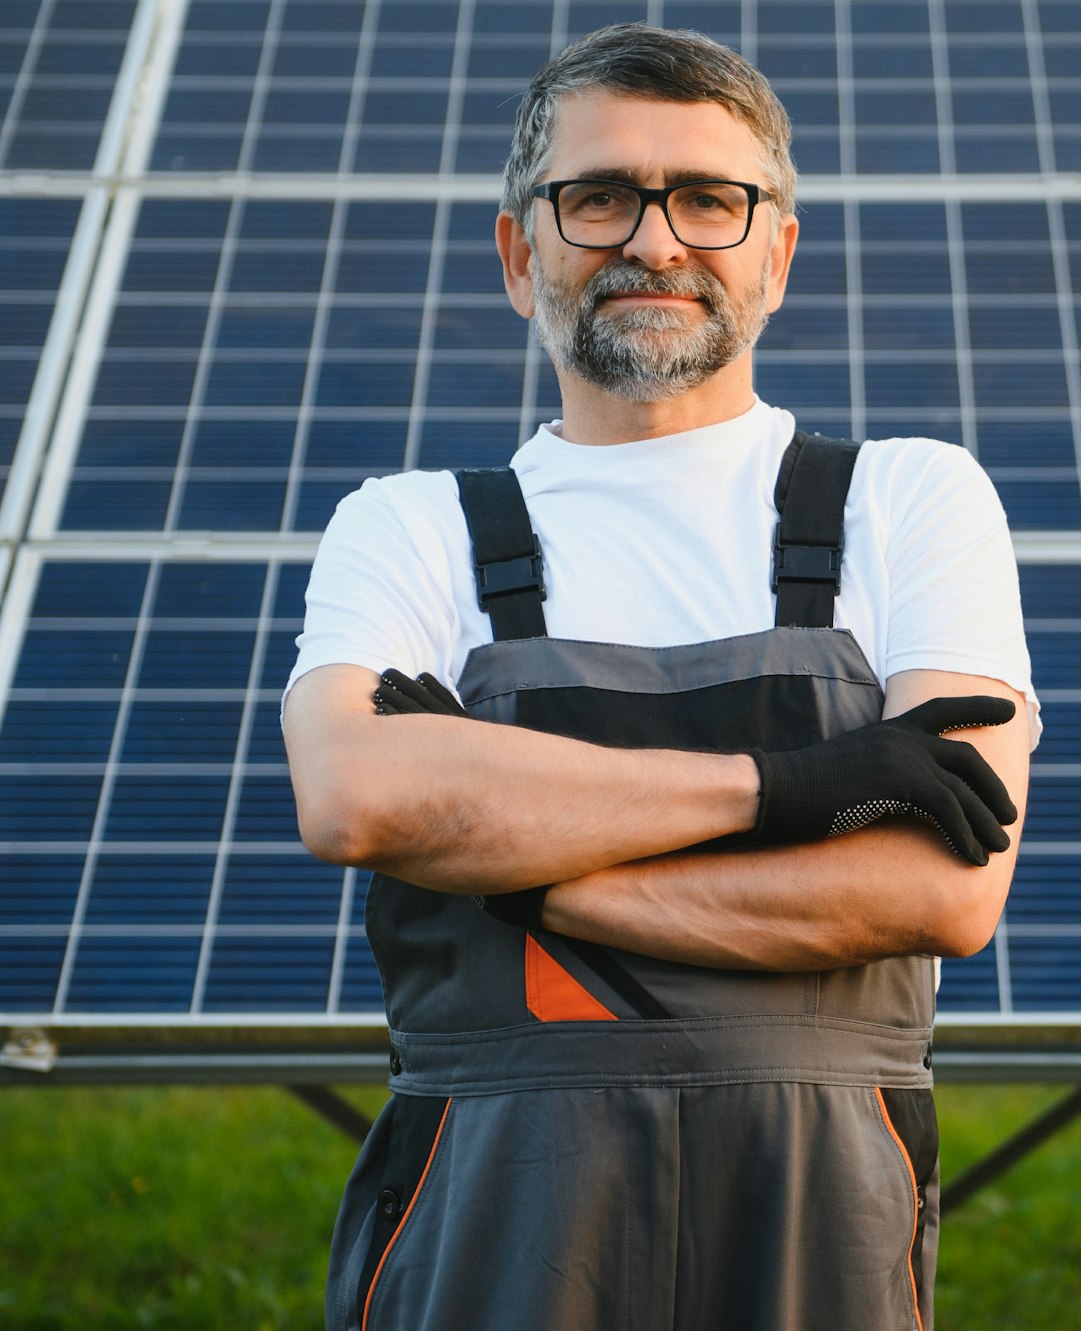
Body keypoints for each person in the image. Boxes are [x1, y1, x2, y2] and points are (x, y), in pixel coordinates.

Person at [281, 24, 1037, 1330]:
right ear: (522, 254)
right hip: (487, 1203)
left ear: (778, 254)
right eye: (598, 198)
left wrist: (522, 861)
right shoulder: (407, 526)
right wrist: (796, 787)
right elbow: (356, 798)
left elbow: (939, 887)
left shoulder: (911, 501)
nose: (654, 239)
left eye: (709, 199)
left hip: (820, 1202)